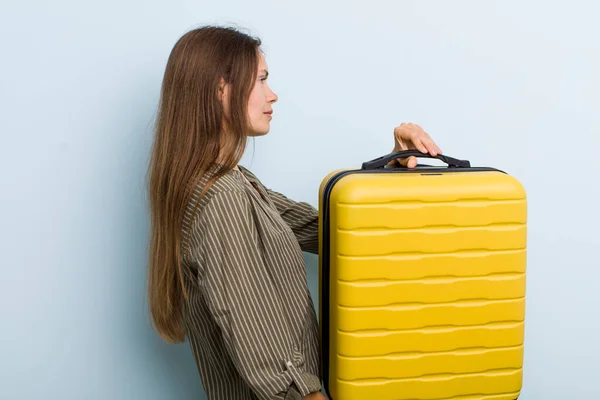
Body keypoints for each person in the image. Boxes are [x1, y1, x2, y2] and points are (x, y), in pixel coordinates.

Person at [146, 25, 442, 400]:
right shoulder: (221, 197)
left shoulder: (235, 184)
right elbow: (253, 328)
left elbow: (329, 232)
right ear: (221, 89)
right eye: (261, 80)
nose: (273, 95)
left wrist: (394, 169)